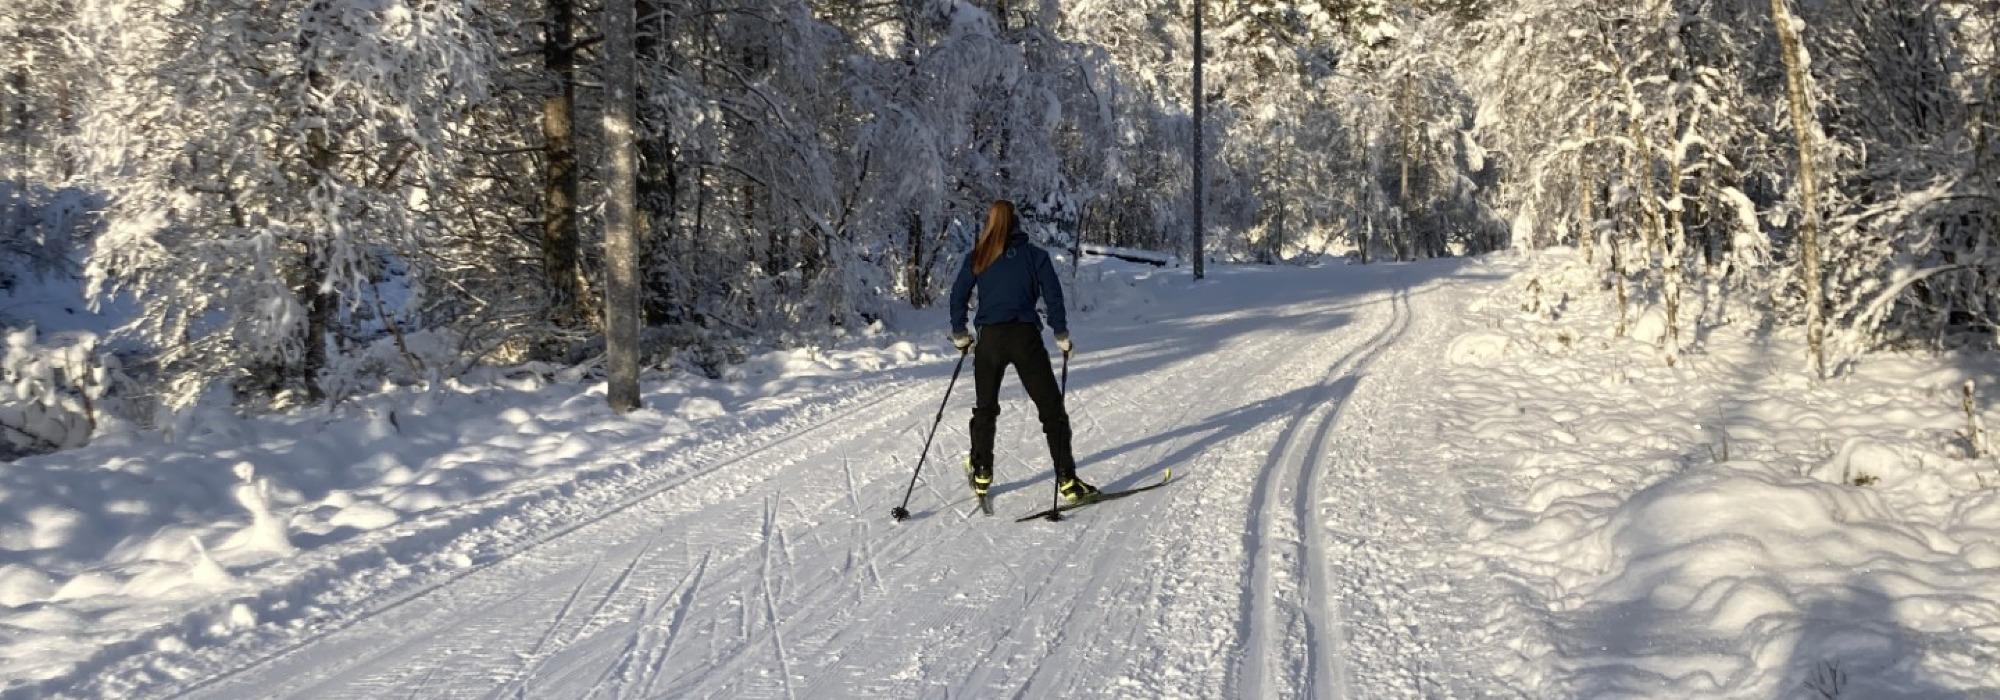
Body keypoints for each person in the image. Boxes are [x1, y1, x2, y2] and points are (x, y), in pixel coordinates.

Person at [949, 200, 1099, 504]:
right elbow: (1053, 294)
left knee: (985, 408)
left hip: (990, 340)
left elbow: (957, 296)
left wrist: (960, 334)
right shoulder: (1035, 256)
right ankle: (1067, 481)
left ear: (990, 223)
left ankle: (981, 472)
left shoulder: (978, 257)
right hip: (1025, 338)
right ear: (1017, 223)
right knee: (1051, 410)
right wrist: (1061, 334)